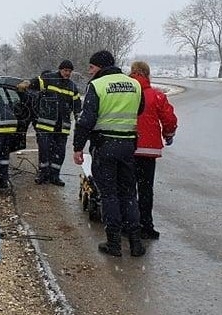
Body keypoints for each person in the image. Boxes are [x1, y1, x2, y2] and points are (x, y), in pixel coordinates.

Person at [73, 50, 146, 257]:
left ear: (101, 66)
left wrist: (78, 147)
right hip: (128, 145)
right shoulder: (134, 84)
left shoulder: (97, 85)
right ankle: (135, 243)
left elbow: (86, 120)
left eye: (91, 67)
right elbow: (140, 109)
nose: (89, 71)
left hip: (105, 145)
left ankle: (114, 243)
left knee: (109, 195)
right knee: (129, 193)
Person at [129, 61, 178, 240]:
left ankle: (130, 224)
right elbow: (169, 119)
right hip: (148, 150)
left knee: (128, 189)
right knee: (146, 189)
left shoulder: (127, 93)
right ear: (147, 74)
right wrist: (168, 135)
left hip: (128, 146)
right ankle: (146, 225)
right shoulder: (156, 95)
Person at [20, 60, 81, 186]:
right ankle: (43, 174)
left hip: (62, 127)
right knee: (45, 150)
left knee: (60, 152)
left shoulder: (72, 87)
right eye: (65, 70)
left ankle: (55, 176)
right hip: (45, 125)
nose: (67, 73)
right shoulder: (49, 79)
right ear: (60, 69)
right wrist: (27, 84)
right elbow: (35, 82)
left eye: (70, 71)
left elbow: (77, 106)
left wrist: (79, 119)